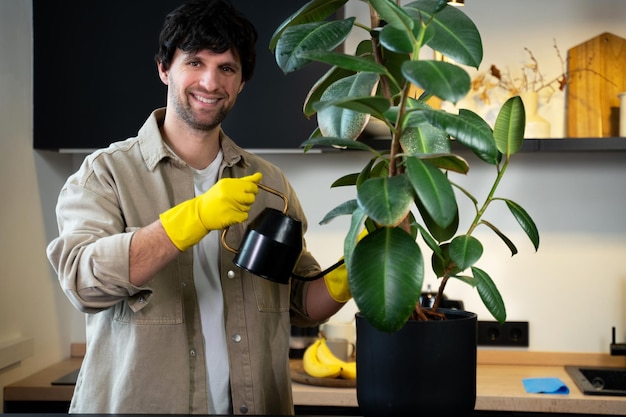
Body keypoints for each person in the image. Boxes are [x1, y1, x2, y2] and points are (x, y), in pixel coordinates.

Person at [46, 0, 353, 414]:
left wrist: (356, 268)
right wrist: (194, 217)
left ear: (242, 81)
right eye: (195, 62)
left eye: (227, 68)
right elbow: (84, 281)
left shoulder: (271, 187)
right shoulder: (105, 175)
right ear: (164, 69)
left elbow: (298, 303)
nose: (211, 81)